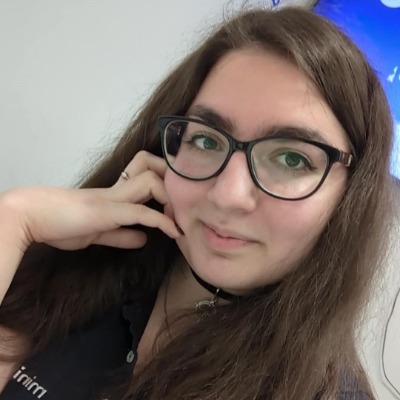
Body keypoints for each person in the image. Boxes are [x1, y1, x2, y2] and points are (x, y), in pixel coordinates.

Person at [0, 5, 395, 400]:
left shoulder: (323, 393)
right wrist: (16, 218)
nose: (227, 194)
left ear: (350, 196)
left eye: (291, 159)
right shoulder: (89, 272)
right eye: (205, 140)